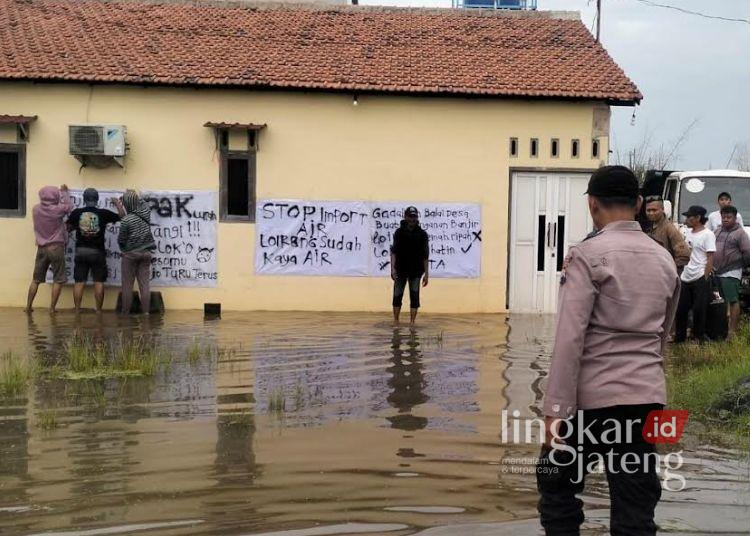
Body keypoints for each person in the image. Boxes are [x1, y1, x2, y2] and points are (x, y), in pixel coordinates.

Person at [536, 166, 680, 536]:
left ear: (591, 205)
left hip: (590, 402)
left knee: (556, 485)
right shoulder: (665, 259)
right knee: (636, 505)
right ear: (636, 203)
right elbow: (663, 335)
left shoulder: (586, 255)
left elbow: (570, 339)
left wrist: (555, 411)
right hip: (645, 398)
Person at [67, 188, 124, 312]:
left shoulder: (77, 212)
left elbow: (68, 228)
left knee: (79, 282)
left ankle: (77, 309)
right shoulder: (103, 213)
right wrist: (117, 203)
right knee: (98, 282)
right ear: (97, 199)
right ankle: (98, 310)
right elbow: (122, 216)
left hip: (81, 251)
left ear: (84, 198)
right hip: (97, 252)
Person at [26, 185, 73, 313]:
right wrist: (64, 192)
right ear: (55, 197)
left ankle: (28, 306)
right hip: (56, 247)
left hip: (41, 248)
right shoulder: (57, 210)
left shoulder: (35, 209)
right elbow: (69, 206)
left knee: (36, 279)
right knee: (58, 279)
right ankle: (52, 309)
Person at [674, 205, 715, 343]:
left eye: (690, 216)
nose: (687, 219)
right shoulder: (686, 232)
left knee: (699, 309)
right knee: (681, 308)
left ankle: (698, 337)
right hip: (686, 275)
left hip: (699, 275)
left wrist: (705, 276)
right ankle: (680, 337)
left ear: (698, 218)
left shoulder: (708, 234)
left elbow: (710, 257)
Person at [713, 205, 750, 337]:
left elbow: (747, 252)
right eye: (723, 217)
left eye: (729, 217)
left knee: (733, 300)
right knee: (720, 301)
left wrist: (741, 265)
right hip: (716, 271)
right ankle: (720, 330)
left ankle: (732, 332)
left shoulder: (740, 233)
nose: (726, 219)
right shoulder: (717, 231)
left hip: (731, 271)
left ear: (735, 218)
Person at [118, 190, 156, 314]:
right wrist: (132, 194)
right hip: (146, 253)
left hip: (130, 254)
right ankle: (146, 313)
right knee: (144, 285)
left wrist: (124, 250)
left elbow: (121, 240)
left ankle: (125, 313)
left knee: (127, 286)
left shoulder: (126, 220)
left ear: (126, 204)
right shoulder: (146, 212)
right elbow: (142, 202)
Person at [390, 206, 429, 325]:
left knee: (415, 297)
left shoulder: (422, 234)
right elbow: (393, 252)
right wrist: (392, 269)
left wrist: (427, 274)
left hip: (416, 271)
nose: (412, 219)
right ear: (405, 217)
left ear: (417, 218)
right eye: (410, 216)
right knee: (397, 296)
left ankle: (412, 323)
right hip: (400, 270)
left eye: (414, 216)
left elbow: (426, 255)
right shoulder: (399, 232)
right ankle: (396, 321)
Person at [644, 196, 690, 271]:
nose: (651, 213)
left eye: (654, 210)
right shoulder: (649, 227)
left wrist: (670, 271)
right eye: (648, 210)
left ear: (662, 209)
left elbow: (684, 256)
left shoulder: (669, 229)